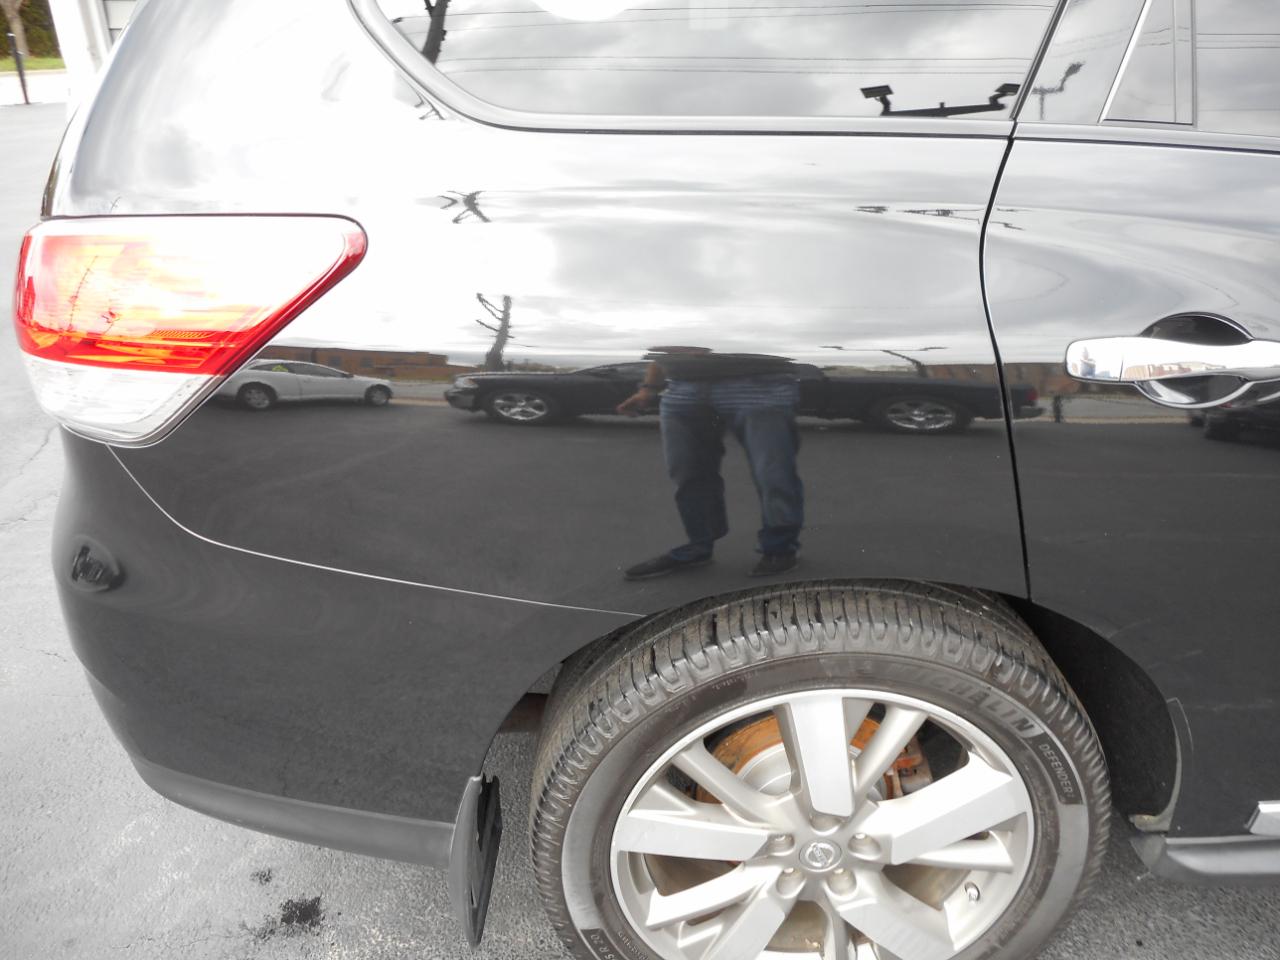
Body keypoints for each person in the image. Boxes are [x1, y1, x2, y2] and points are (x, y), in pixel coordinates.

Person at [618, 347, 805, 579]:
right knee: (687, 471)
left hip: (759, 384)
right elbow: (671, 341)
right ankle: (699, 546)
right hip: (683, 386)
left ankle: (780, 548)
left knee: (773, 473)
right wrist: (649, 387)